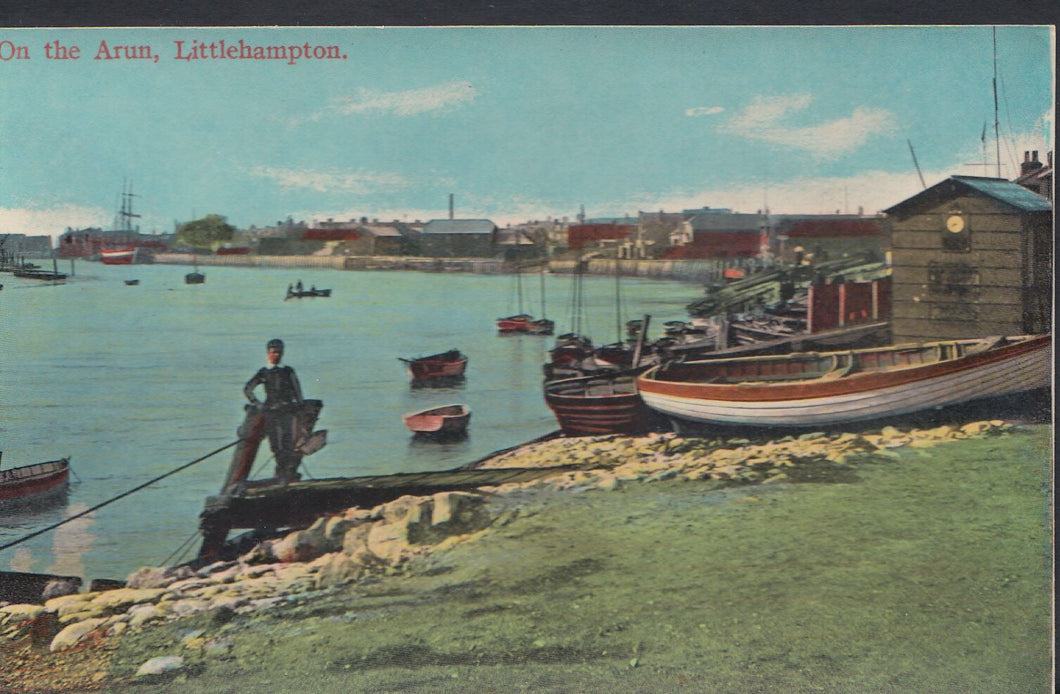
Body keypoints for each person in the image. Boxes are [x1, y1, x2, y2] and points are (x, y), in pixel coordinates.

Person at [243, 338, 306, 482]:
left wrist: (300, 408)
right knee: (275, 444)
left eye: (278, 352)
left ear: (282, 354)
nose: (276, 355)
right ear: (268, 354)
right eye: (273, 352)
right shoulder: (264, 372)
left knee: (288, 442)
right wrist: (257, 404)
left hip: (287, 411)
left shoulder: (288, 371)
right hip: (270, 412)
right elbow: (248, 389)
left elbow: (297, 391)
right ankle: (281, 472)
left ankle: (284, 473)